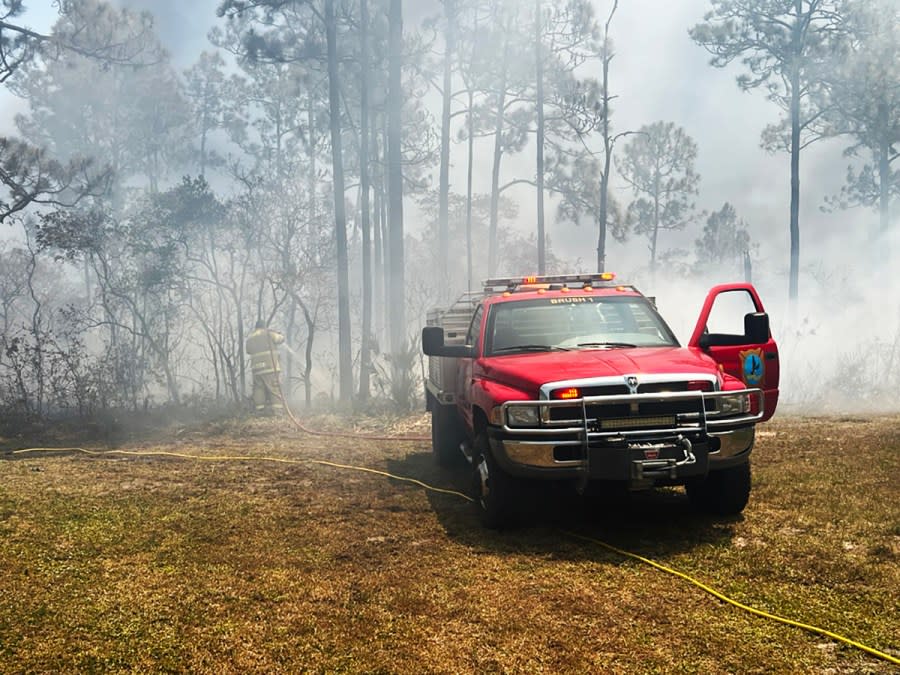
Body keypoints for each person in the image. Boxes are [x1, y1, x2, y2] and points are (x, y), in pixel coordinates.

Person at [245, 319, 285, 415]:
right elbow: (280, 339)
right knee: (274, 388)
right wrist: (278, 333)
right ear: (264, 326)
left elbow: (248, 351)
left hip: (256, 369)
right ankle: (278, 412)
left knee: (259, 389)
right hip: (270, 367)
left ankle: (259, 411)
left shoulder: (250, 338)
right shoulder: (269, 334)